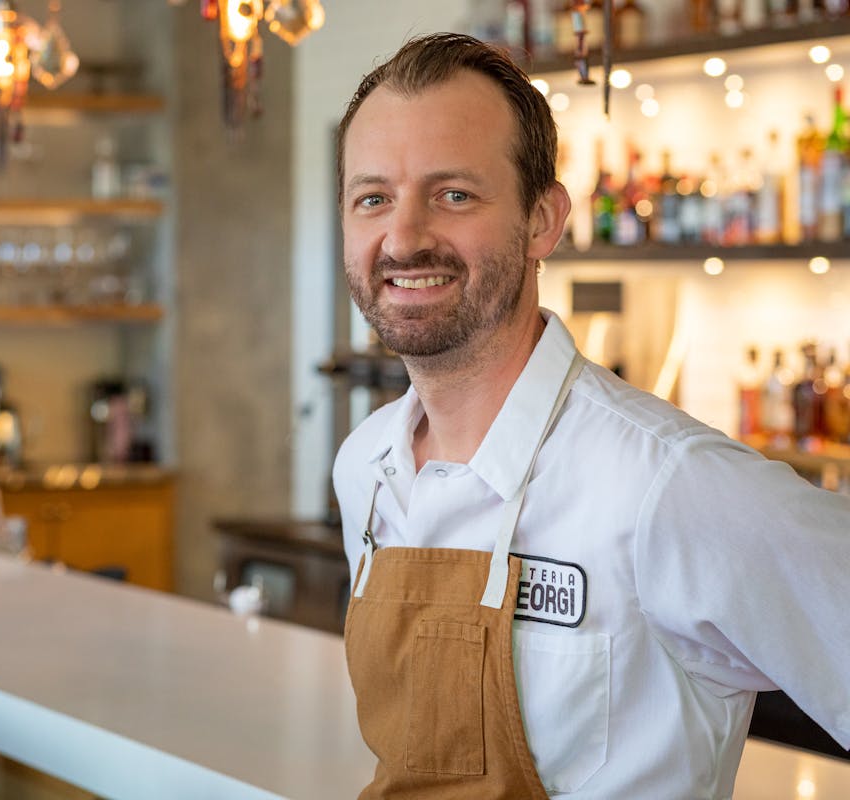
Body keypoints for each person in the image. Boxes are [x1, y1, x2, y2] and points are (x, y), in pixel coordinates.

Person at [331, 32, 850, 799]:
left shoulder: (667, 487)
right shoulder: (365, 467)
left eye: (454, 195)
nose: (403, 238)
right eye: (373, 197)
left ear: (544, 221)